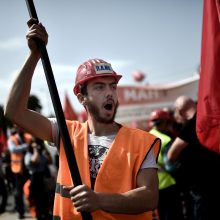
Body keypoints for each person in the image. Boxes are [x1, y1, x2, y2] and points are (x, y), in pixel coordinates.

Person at [4, 18, 161, 220]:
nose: (110, 93)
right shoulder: (64, 131)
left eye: (112, 86)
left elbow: (149, 197)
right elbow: (14, 112)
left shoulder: (141, 142)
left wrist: (99, 200)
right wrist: (34, 55)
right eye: (99, 87)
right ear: (81, 98)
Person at [167, 95, 220, 220]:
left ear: (179, 111)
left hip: (202, 189)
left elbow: (171, 154)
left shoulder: (191, 125)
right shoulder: (211, 120)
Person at [149, 109, 184, 220]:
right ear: (164, 123)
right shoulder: (165, 140)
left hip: (154, 186)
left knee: (162, 215)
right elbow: (171, 166)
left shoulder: (146, 137)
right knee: (175, 215)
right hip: (169, 183)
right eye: (168, 123)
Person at [7, 124, 32, 219]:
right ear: (16, 128)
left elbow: (33, 145)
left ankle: (33, 208)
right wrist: (26, 146)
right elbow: (13, 149)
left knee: (31, 189)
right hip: (18, 170)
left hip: (29, 169)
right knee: (18, 192)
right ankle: (20, 211)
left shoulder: (27, 137)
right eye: (18, 127)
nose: (20, 128)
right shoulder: (12, 139)